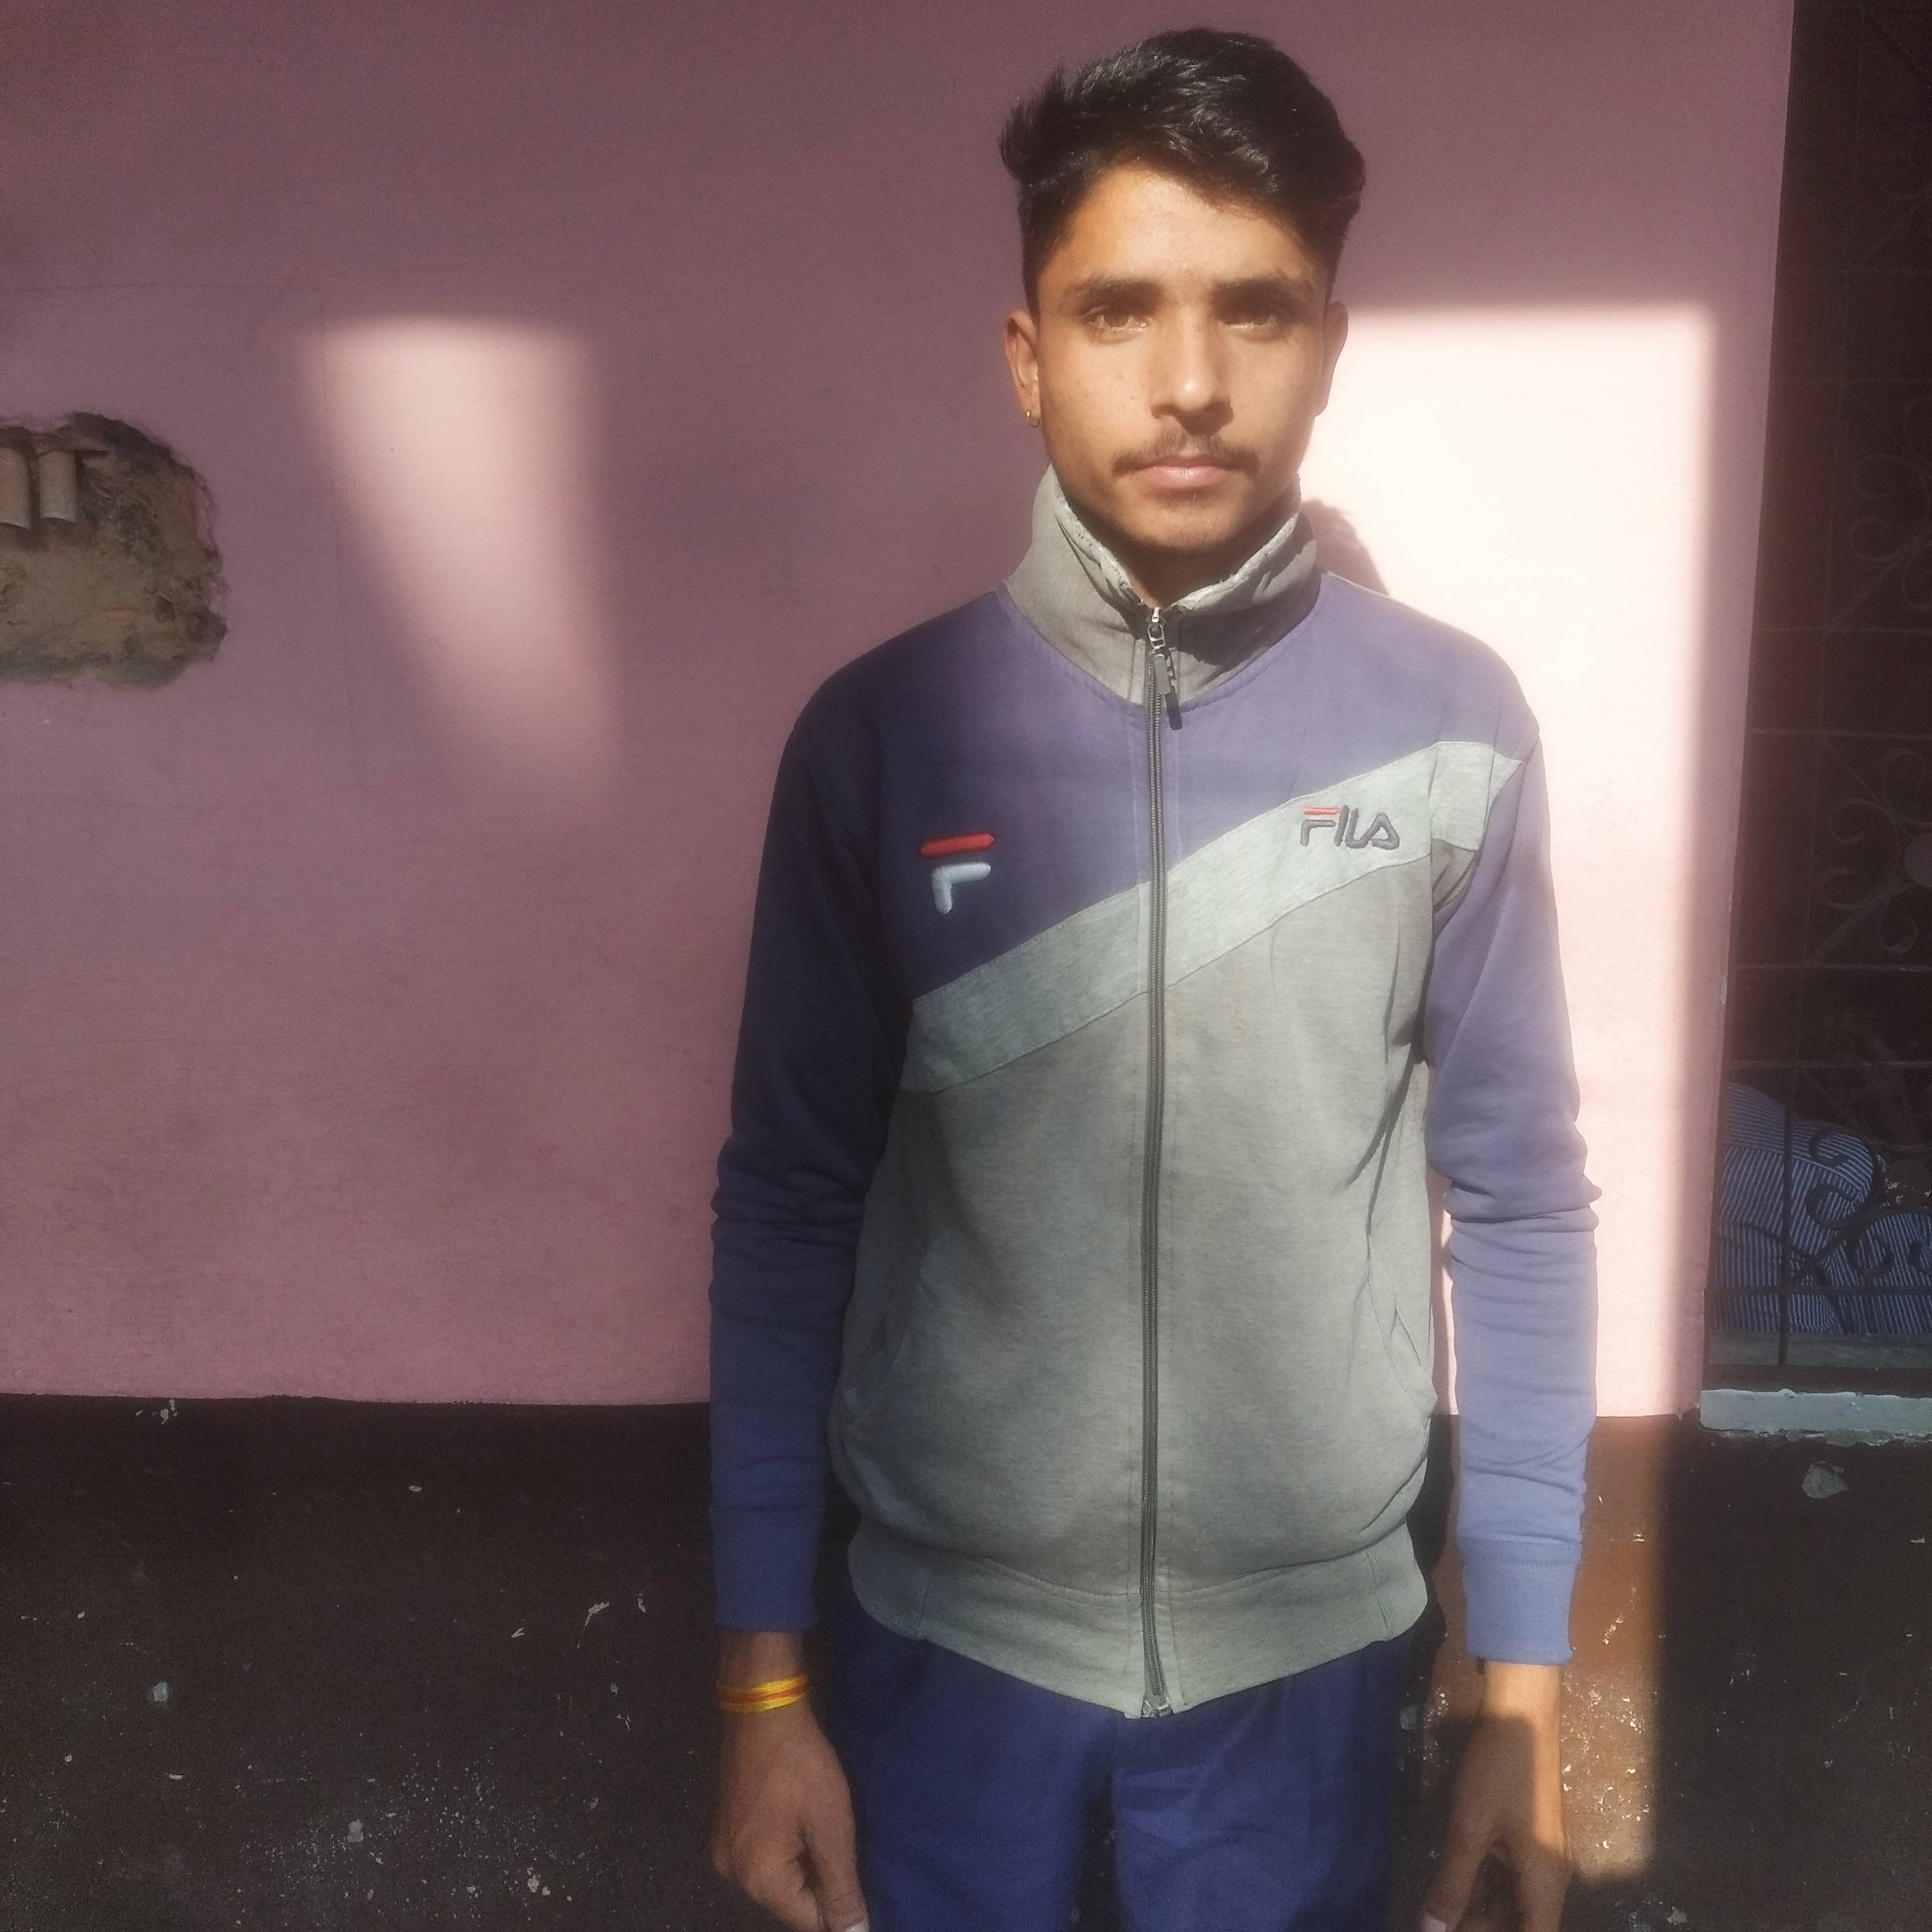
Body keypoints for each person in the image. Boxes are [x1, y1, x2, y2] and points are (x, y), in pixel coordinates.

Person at [705, 28, 1598, 1932]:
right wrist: (765, 1691)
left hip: (1308, 1676)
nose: (1190, 382)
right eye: (1118, 310)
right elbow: (788, 1199)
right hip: (943, 1659)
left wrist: (1519, 1684)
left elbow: (1524, 1202)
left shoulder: (1455, 728)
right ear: (1027, 354)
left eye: (1254, 310)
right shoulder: (877, 738)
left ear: (1330, 345)